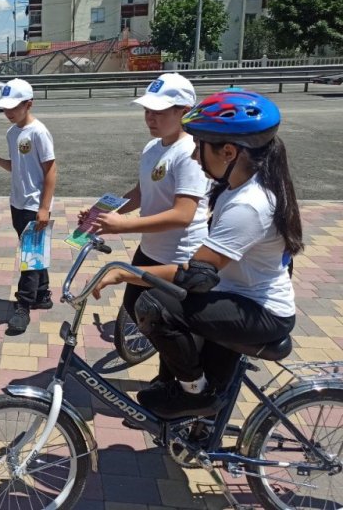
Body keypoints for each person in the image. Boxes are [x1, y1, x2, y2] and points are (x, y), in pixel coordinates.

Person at [91, 90, 302, 419]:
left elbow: (195, 276)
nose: (193, 156)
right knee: (209, 380)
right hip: (236, 296)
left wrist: (124, 273)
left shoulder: (249, 204)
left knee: (156, 305)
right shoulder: (237, 188)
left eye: (199, 147)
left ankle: (191, 395)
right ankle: (200, 422)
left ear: (229, 151)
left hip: (259, 312)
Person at [86, 73, 210, 383]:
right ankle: (174, 372)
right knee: (135, 306)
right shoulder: (154, 147)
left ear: (184, 111)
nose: (150, 117)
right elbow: (140, 193)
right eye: (147, 110)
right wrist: (99, 213)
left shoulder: (190, 153)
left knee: (166, 322)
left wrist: (122, 226)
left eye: (159, 111)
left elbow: (183, 214)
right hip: (151, 249)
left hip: (179, 257)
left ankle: (180, 381)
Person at [0, 78, 57, 334]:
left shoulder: (38, 132)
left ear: (29, 103)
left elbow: (50, 171)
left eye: (14, 106)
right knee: (33, 253)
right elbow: (16, 166)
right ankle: (42, 295)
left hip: (35, 205)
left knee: (29, 258)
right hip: (17, 203)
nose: (8, 112)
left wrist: (44, 207)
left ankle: (23, 306)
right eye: (5, 107)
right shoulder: (12, 133)